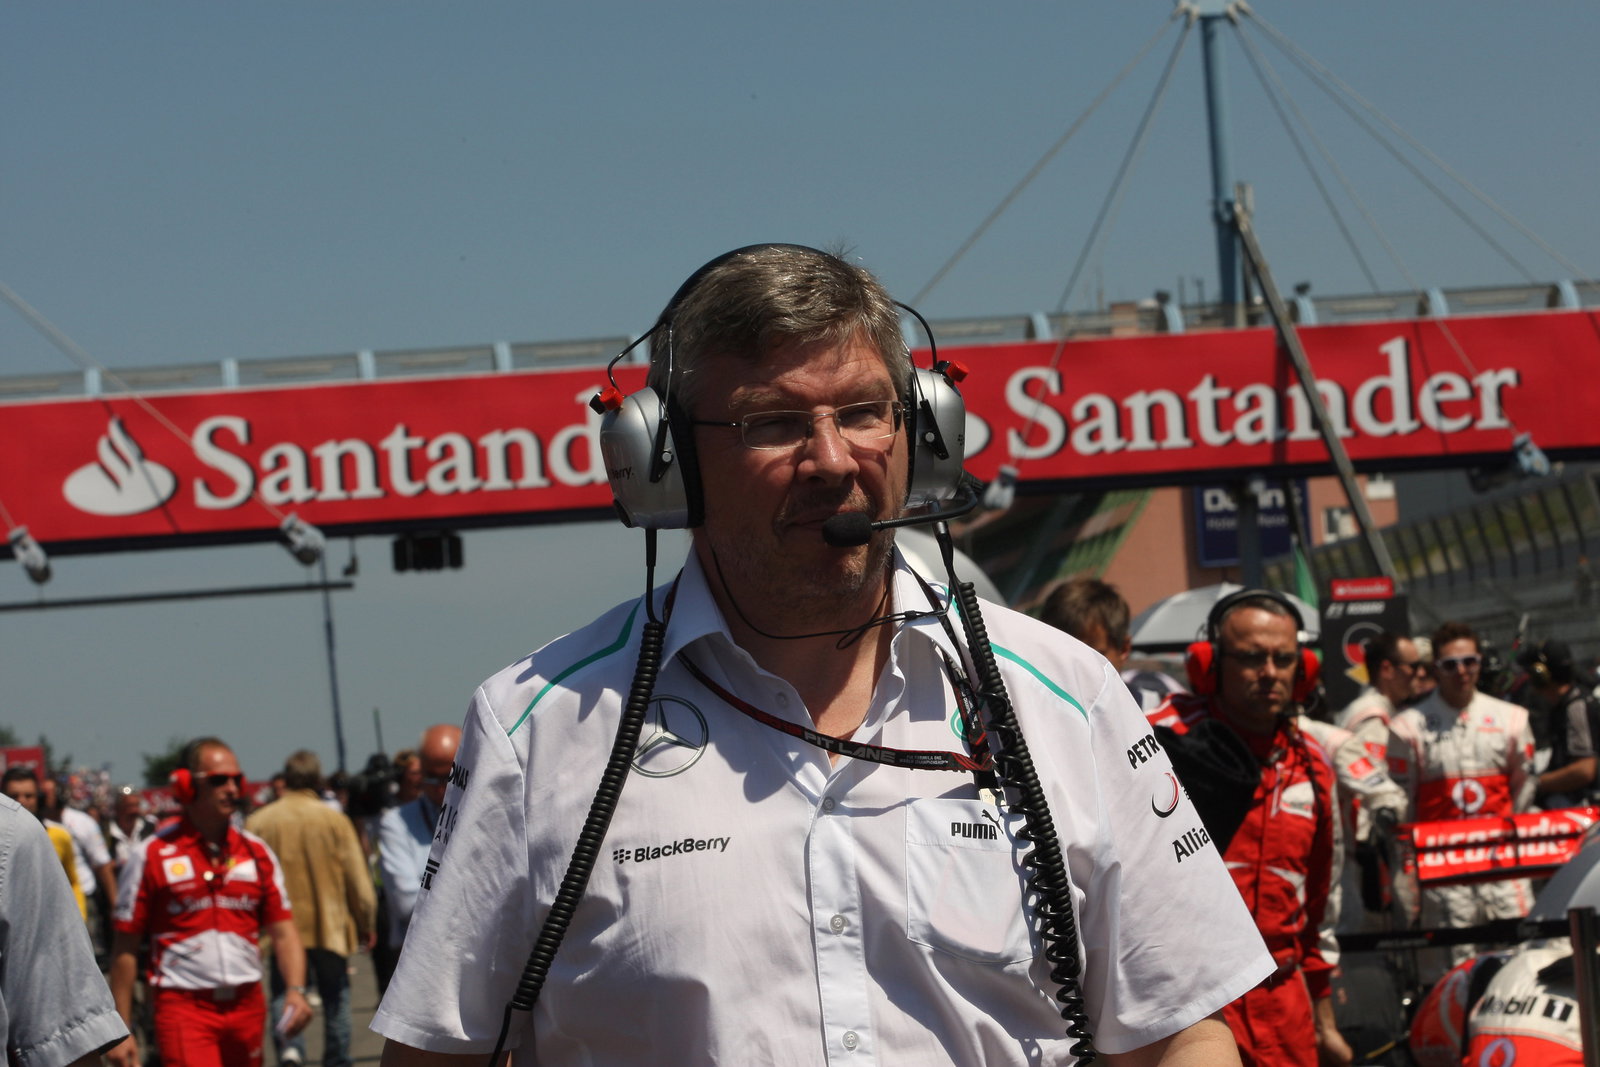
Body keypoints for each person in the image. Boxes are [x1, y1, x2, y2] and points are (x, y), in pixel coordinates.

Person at [373, 244, 1271, 1064]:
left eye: (864, 412)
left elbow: (1182, 1031)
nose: (833, 460)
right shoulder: (541, 725)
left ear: (920, 435)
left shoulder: (1065, 695)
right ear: (667, 461)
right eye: (772, 424)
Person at [1149, 588, 1349, 1067]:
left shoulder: (1313, 767)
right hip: (1191, 1005)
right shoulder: (1161, 741)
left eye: (1283, 659)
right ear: (1209, 664)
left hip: (1284, 1008)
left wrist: (1325, 1024)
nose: (1270, 673)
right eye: (1251, 657)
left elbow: (1321, 906)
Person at [109, 736, 313, 1067]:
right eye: (218, 780)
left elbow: (284, 931)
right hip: (183, 1007)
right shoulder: (151, 854)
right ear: (186, 786)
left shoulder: (257, 852)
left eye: (237, 779)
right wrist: (121, 1027)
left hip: (247, 1005)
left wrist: (296, 989)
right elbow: (125, 946)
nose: (232, 788)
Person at [1386, 621, 1537, 980]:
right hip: (1443, 876)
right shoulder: (1407, 726)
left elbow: (1524, 789)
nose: (1462, 671)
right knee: (1452, 978)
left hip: (1503, 867)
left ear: (1480, 662)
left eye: (1469, 661)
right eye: (1450, 664)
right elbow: (1402, 803)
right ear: (1435, 668)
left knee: (1517, 969)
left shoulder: (1512, 718)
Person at [247, 749, 379, 1067]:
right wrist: (367, 920)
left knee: (284, 990)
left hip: (279, 927)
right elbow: (358, 879)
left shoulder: (260, 821)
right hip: (330, 923)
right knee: (336, 996)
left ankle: (291, 1049)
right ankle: (336, 1058)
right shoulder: (334, 820)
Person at [0, 789, 132, 1066]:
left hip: (65, 911)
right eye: (16, 794)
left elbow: (78, 876)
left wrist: (102, 911)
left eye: (29, 794)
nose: (24, 799)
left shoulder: (24, 833)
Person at [375, 724, 458, 972]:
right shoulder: (396, 823)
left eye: (451, 777)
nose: (441, 788)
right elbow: (407, 903)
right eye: (432, 778)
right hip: (420, 964)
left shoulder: (495, 814)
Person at [1037, 576, 1185, 713]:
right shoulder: (1032, 724)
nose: (1077, 672)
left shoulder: (1169, 716)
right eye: (1060, 659)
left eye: (1094, 657)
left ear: (1123, 648)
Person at [1520, 638, 1600, 808]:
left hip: (1582, 806)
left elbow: (1584, 770)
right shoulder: (1563, 705)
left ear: (1540, 675)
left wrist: (1535, 784)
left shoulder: (1576, 707)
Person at [1, 766, 85, 918]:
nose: (21, 801)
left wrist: (78, 917)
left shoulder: (59, 836)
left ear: (38, 798)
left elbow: (73, 882)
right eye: (13, 796)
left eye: (28, 795)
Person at [1336, 631, 1425, 731]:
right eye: (1414, 666)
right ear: (1387, 669)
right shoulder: (1371, 718)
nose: (1422, 673)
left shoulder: (1389, 709)